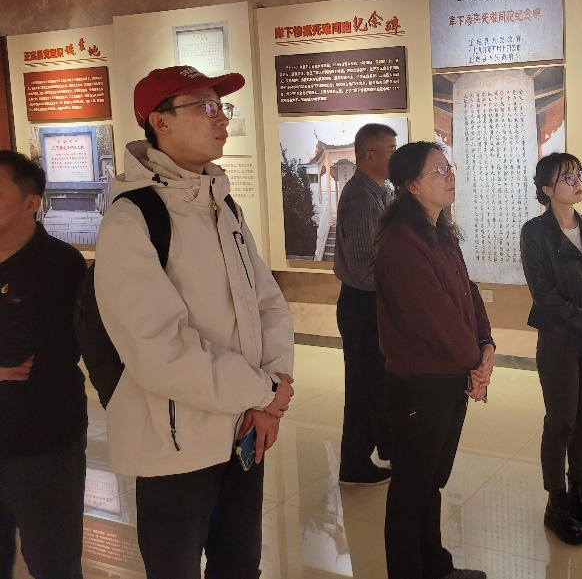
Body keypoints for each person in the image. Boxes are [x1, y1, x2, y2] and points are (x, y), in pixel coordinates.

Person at [94, 66, 296, 579]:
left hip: (244, 429)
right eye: (204, 107)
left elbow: (267, 303)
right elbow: (159, 349)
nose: (221, 119)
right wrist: (262, 390)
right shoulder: (133, 219)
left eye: (221, 106)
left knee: (239, 566)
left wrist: (271, 393)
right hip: (175, 445)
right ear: (159, 121)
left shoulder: (223, 205)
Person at [374, 142, 494, 579]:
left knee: (431, 481)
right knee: (412, 488)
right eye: (437, 170)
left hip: (450, 374)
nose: (449, 175)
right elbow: (434, 316)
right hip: (421, 382)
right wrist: (476, 362)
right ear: (411, 185)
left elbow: (467, 293)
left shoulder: (439, 231)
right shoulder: (400, 242)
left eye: (449, 166)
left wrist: (486, 343)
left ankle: (435, 566)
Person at [520, 153, 582, 545]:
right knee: (561, 422)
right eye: (567, 177)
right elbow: (544, 295)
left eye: (579, 174)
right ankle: (556, 503)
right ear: (547, 189)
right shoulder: (535, 233)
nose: (578, 182)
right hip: (560, 339)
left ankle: (580, 493)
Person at [0, 151, 87, 579]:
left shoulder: (60, 264)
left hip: (42, 443)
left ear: (30, 203)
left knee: (53, 562)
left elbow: (18, 353)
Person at [333, 122, 397, 485]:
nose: (395, 156)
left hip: (375, 304)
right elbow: (363, 268)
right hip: (362, 305)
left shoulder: (379, 192)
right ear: (370, 155)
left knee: (381, 382)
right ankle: (354, 464)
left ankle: (385, 445)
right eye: (391, 150)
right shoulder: (360, 198)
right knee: (364, 388)